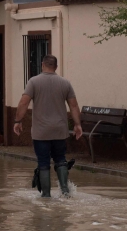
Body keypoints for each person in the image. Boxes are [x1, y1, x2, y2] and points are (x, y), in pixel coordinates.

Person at [13, 55, 83, 198]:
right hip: (59, 131)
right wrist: (77, 125)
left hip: (41, 132)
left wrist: (18, 121)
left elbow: (23, 103)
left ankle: (46, 195)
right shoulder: (65, 83)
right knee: (61, 159)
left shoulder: (33, 82)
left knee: (43, 162)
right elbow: (74, 105)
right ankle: (65, 192)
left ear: (42, 65)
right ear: (56, 67)